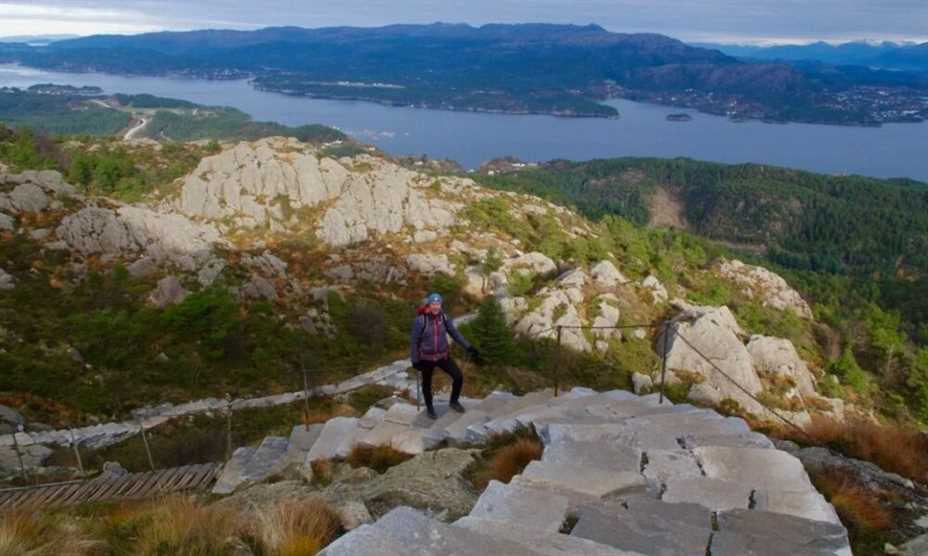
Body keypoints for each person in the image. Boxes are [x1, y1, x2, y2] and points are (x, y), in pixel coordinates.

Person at [409, 292, 479, 419]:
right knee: (426, 384)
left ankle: (454, 401)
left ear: (441, 305)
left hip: (442, 356)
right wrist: (415, 360)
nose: (436, 306)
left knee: (458, 376)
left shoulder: (444, 318)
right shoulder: (421, 320)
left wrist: (468, 346)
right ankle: (430, 408)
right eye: (433, 304)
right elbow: (414, 341)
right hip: (426, 358)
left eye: (438, 304)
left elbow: (454, 333)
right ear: (429, 305)